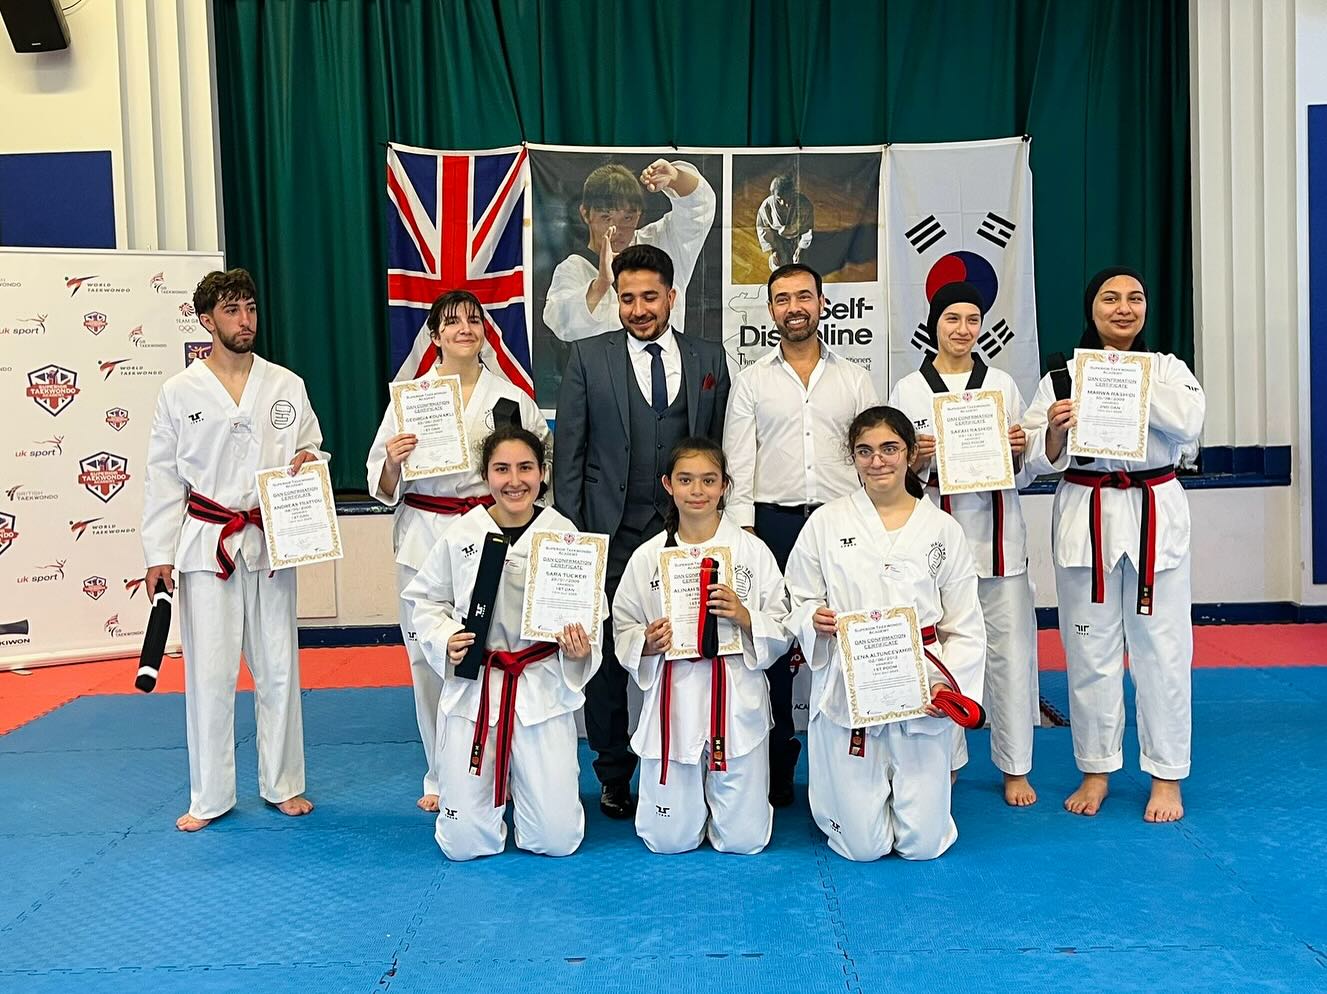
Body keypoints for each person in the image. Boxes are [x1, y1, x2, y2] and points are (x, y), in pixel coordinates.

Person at [141, 268, 325, 832]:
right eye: (231, 311)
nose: (245, 320)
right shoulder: (178, 392)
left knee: (277, 668)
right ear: (207, 321)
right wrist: (158, 553)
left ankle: (284, 783)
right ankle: (211, 796)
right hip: (206, 542)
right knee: (210, 674)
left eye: (249, 308)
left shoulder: (285, 385)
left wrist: (309, 465)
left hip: (270, 540)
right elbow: (164, 478)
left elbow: (313, 449)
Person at [554, 243, 731, 819]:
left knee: (695, 650)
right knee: (607, 659)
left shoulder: (709, 359)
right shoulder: (586, 358)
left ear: (671, 296)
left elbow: (719, 451)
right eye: (626, 298)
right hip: (610, 536)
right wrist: (578, 542)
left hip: (689, 535)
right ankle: (612, 772)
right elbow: (571, 460)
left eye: (649, 296)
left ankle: (697, 758)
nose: (637, 308)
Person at [1022, 267, 1205, 823]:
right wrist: (1054, 429)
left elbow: (1191, 425)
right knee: (1090, 652)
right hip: (1087, 511)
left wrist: (1129, 383)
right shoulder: (1060, 375)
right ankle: (1096, 768)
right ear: (1091, 307)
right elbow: (1033, 458)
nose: (1123, 308)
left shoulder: (1170, 371)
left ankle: (1166, 776)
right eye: (1109, 298)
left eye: (1135, 298)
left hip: (1154, 511)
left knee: (1164, 651)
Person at [365, 289, 549, 813]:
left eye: (474, 319)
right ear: (434, 334)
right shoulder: (410, 399)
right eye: (452, 322)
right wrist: (395, 462)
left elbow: (541, 476)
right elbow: (379, 483)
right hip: (424, 533)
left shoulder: (513, 401)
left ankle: (500, 766)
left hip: (489, 533)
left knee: (492, 653)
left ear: (486, 330)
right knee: (428, 661)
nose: (464, 329)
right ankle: (440, 773)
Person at [785, 406, 986, 861]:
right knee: (861, 847)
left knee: (923, 845)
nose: (878, 461)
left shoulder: (942, 529)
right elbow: (795, 597)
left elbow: (965, 623)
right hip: (851, 682)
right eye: (865, 451)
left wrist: (950, 690)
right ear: (852, 458)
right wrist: (812, 617)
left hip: (922, 681)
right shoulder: (826, 523)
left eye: (890, 449)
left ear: (911, 454)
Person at [401, 425, 601, 860]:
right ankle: (487, 792)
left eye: (526, 467)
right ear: (485, 475)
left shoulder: (564, 534)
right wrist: (446, 637)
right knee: (462, 844)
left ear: (543, 473)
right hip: (479, 685)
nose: (515, 480)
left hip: (540, 685)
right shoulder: (462, 533)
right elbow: (424, 599)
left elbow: (592, 614)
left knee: (557, 839)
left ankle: (525, 786)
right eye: (502, 469)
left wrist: (581, 650)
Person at [723, 263, 877, 806]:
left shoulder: (855, 378)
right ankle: (778, 756)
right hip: (774, 525)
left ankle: (850, 760)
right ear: (771, 310)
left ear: (821, 302)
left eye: (804, 297)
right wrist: (745, 538)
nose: (795, 307)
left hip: (841, 523)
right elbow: (738, 467)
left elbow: (872, 460)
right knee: (774, 645)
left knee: (844, 636)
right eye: (783, 299)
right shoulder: (752, 380)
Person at [887, 281, 1042, 806]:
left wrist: (1018, 450)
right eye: (951, 319)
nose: (962, 329)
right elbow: (893, 475)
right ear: (934, 325)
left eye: (972, 319)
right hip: (934, 545)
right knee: (939, 656)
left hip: (1000, 541)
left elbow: (1022, 472)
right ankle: (946, 759)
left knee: (1011, 655)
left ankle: (1015, 764)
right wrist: (918, 459)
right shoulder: (908, 390)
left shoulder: (1001, 383)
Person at [613, 437, 792, 854]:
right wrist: (646, 642)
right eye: (686, 480)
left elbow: (783, 625)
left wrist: (746, 617)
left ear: (725, 486)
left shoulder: (752, 551)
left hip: (733, 697)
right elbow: (623, 624)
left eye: (709, 480)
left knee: (744, 841)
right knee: (666, 839)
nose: (697, 491)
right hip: (672, 699)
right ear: (667, 485)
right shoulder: (647, 556)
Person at [543, 159, 715, 343]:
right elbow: (561, 324)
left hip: (663, 366)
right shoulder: (574, 269)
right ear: (585, 213)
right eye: (606, 217)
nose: (616, 229)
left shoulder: (659, 243)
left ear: (639, 214)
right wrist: (601, 283)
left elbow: (700, 208)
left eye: (628, 217)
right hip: (604, 371)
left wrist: (675, 177)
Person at [755, 175, 815, 271]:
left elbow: (808, 228)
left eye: (789, 198)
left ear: (794, 193)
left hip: (798, 236)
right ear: (773, 196)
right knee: (778, 266)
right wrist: (773, 250)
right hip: (778, 239)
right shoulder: (767, 206)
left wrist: (801, 248)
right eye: (779, 199)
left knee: (801, 265)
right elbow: (762, 227)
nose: (784, 203)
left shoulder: (804, 204)